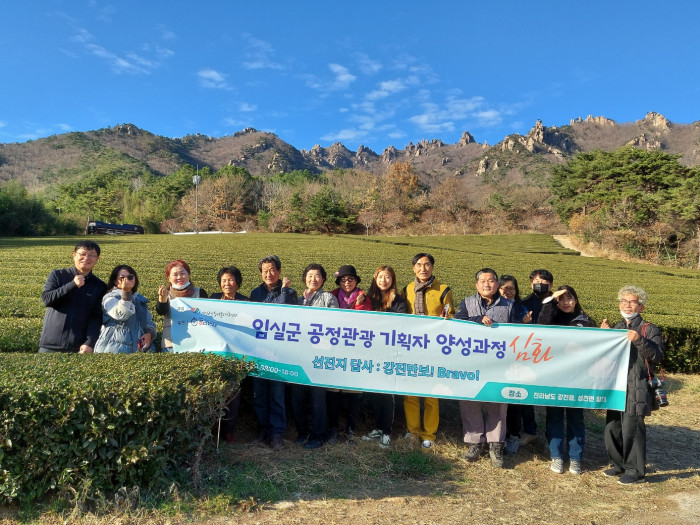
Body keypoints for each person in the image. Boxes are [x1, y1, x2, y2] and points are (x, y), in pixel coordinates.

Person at [455, 268, 519, 468]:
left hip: (498, 363)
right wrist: (477, 320)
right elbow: (457, 323)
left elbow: (518, 331)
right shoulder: (466, 303)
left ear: (497, 285)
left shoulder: (510, 306)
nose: (486, 284)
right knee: (470, 401)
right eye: (482, 280)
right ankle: (474, 442)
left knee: (498, 403)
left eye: (491, 280)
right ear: (476, 285)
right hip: (471, 361)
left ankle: (495, 444)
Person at [600, 285, 664, 485]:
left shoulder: (648, 328)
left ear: (641, 307)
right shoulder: (618, 325)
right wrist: (605, 335)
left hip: (636, 384)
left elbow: (657, 355)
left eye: (632, 302)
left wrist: (639, 340)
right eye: (623, 301)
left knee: (632, 428)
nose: (627, 305)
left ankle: (635, 471)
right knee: (613, 427)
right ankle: (618, 464)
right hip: (616, 384)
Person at [538, 285, 596, 475]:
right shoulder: (551, 318)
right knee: (554, 417)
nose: (566, 302)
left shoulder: (585, 321)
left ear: (576, 300)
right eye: (561, 299)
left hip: (577, 377)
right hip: (554, 376)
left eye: (569, 298)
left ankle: (576, 458)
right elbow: (541, 328)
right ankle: (556, 457)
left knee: (575, 419)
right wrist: (550, 300)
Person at [402, 253, 455, 449]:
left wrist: (447, 317)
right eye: (418, 265)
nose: (423, 269)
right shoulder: (407, 289)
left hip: (433, 347)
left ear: (432, 267)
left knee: (431, 393)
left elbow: (451, 313)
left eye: (427, 265)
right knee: (411, 393)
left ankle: (429, 434)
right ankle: (412, 430)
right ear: (413, 268)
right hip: (412, 346)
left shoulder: (443, 289)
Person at [249, 255, 298, 450]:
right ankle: (263, 430)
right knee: (259, 392)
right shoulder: (255, 293)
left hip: (279, 351)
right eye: (264, 271)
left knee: (277, 393)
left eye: (272, 270)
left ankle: (277, 433)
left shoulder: (290, 293)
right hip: (259, 349)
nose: (268, 274)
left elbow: (285, 313)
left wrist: (284, 290)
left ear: (279, 271)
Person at [292, 263, 339, 449]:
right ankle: (302, 431)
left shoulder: (328, 297)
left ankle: (318, 435)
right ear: (305, 278)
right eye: (310, 275)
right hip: (299, 355)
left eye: (317, 276)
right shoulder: (298, 299)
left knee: (317, 397)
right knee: (297, 396)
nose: (313, 279)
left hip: (320, 355)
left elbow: (334, 322)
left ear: (323, 279)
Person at [362, 265, 408, 448]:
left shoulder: (398, 301)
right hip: (371, 350)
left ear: (393, 280)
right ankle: (378, 428)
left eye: (387, 277)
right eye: (380, 277)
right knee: (375, 391)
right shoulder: (367, 299)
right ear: (375, 279)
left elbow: (402, 322)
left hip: (390, 351)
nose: (383, 280)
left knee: (388, 392)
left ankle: (387, 432)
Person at [327, 265, 371, 442]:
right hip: (335, 350)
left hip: (355, 351)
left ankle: (350, 428)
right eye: (343, 280)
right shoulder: (332, 294)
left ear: (356, 281)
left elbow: (364, 320)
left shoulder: (363, 298)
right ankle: (333, 428)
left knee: (353, 393)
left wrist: (358, 306)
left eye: (350, 279)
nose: (347, 282)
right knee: (333, 392)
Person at [39, 240, 107, 353]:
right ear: (74, 255)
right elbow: (47, 300)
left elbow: (95, 317)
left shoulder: (99, 286)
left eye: (91, 255)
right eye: (83, 254)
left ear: (97, 259)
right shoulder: (58, 275)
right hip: (50, 345)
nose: (86, 258)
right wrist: (72, 285)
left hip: (78, 347)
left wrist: (90, 342)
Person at [210, 266, 248, 443]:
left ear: (238, 283)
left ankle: (229, 429)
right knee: (215, 390)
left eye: (231, 280)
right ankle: (213, 428)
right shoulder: (212, 299)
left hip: (236, 354)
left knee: (233, 393)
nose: (227, 283)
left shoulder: (245, 302)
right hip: (216, 353)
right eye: (224, 280)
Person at [500, 274, 536, 455]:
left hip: (516, 361)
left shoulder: (522, 309)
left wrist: (524, 323)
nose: (507, 291)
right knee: (497, 400)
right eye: (504, 288)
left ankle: (513, 436)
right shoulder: (493, 307)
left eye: (511, 288)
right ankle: (498, 436)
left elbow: (530, 337)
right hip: (497, 361)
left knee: (514, 401)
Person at [94, 265, 156, 354]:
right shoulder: (110, 297)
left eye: (130, 277)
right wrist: (126, 292)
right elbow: (120, 315)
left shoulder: (139, 299)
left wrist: (149, 334)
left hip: (137, 348)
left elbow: (149, 322)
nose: (126, 280)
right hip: (113, 347)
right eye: (122, 278)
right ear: (115, 281)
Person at [156, 259, 208, 352]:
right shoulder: (166, 294)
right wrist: (162, 299)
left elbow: (208, 313)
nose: (179, 277)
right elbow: (161, 311)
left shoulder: (200, 292)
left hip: (197, 341)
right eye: (175, 274)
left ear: (188, 274)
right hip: (172, 343)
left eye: (182, 273)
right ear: (169, 278)